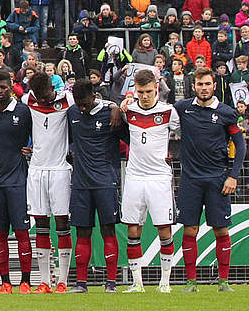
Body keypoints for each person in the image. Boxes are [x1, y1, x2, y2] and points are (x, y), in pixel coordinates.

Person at [174, 67, 245, 291]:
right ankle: (191, 282)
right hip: (190, 180)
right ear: (193, 86)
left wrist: (233, 176)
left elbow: (241, 145)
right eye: (199, 84)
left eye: (207, 84)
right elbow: (155, 110)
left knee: (221, 230)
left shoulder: (226, 113)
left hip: (218, 179)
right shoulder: (182, 108)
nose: (203, 88)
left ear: (214, 85)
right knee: (189, 230)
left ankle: (224, 281)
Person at [118, 69, 180, 293]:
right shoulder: (129, 110)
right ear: (134, 89)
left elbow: (182, 132)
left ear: (156, 89)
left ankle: (165, 282)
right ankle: (137, 283)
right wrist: (122, 104)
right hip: (134, 176)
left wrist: (172, 152)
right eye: (141, 91)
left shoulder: (168, 112)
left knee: (164, 230)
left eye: (149, 91)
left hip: (159, 178)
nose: (144, 95)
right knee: (133, 230)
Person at [64, 78, 124, 293]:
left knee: (108, 229)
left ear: (94, 96)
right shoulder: (72, 113)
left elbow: (128, 138)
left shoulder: (110, 113)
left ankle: (111, 282)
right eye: (78, 103)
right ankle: (81, 283)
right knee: (82, 232)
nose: (82, 107)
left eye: (85, 102)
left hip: (105, 182)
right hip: (80, 183)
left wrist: (116, 107)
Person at [0, 69, 34, 293]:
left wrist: (32, 148)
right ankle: (5, 282)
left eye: (3, 87)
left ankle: (25, 281)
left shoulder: (23, 111)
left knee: (22, 232)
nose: (0, 91)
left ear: (11, 87)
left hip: (18, 180)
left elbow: (39, 135)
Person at [21, 72, 73, 292]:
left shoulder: (66, 100)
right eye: (38, 96)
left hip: (60, 169)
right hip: (36, 169)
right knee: (41, 224)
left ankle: (62, 281)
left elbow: (99, 101)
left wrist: (123, 102)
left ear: (53, 87)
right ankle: (44, 281)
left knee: (62, 223)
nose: (42, 100)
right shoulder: (27, 100)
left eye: (45, 95)